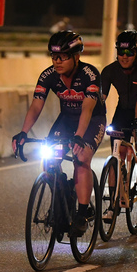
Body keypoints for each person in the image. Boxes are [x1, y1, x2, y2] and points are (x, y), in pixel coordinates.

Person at [12, 31, 106, 235]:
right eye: (54, 56)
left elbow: (87, 109)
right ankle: (63, 198)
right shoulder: (48, 75)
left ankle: (82, 214)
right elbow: (36, 106)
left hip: (92, 120)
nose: (57, 61)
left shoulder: (89, 74)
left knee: (81, 158)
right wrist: (23, 133)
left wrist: (79, 137)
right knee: (49, 160)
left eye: (63, 57)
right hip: (66, 119)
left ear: (76, 57)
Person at [101, 30, 137, 187]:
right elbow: (99, 99)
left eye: (129, 53)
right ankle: (114, 196)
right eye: (121, 52)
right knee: (116, 152)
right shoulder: (109, 71)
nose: (124, 57)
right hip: (123, 110)